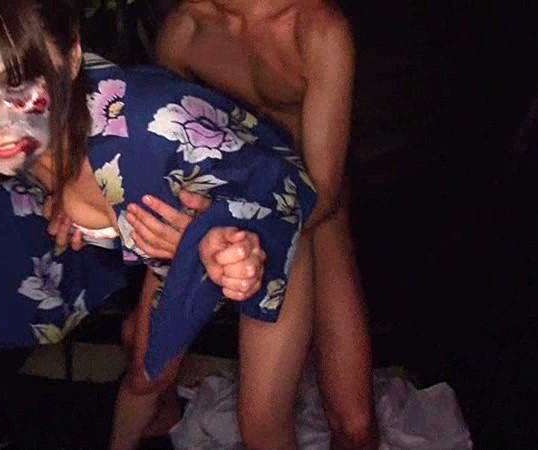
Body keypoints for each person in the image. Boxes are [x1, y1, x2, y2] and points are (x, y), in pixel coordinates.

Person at [0, 0, 318, 447]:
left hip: (274, 235)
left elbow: (288, 191)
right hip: (169, 253)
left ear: (71, 57)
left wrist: (213, 239)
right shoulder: (26, 144)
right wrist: (21, 198)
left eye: (16, 83)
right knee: (145, 375)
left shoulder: (154, 125)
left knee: (262, 426)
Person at [122, 0, 379, 448]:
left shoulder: (316, 29)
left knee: (353, 423)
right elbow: (156, 143)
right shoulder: (185, 28)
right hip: (219, 208)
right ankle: (163, 416)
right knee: (142, 357)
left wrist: (224, 231)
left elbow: (322, 189)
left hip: (311, 212)